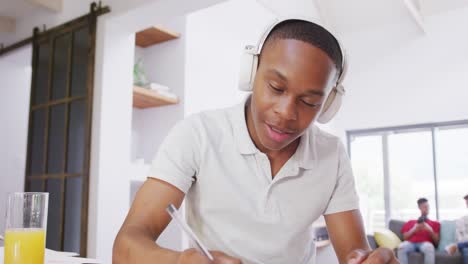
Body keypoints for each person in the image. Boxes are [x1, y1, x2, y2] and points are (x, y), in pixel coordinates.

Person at [113, 18, 397, 264]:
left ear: (329, 104)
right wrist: (178, 261)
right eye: (276, 88)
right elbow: (126, 246)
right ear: (251, 73)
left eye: (309, 101)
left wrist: (370, 258)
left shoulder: (332, 155)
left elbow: (354, 253)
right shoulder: (197, 134)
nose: (285, 113)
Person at [397, 198, 440, 264]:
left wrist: (430, 230)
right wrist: (414, 229)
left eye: (428, 206)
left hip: (425, 244)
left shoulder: (435, 223)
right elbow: (404, 238)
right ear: (419, 208)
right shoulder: (411, 222)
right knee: (401, 247)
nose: (427, 208)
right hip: (410, 243)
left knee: (429, 248)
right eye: (424, 207)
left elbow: (437, 242)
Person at [445, 194, 468, 263]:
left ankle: (456, 246)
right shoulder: (462, 220)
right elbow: (460, 239)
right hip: (465, 246)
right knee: (466, 250)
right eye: (467, 204)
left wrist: (457, 245)